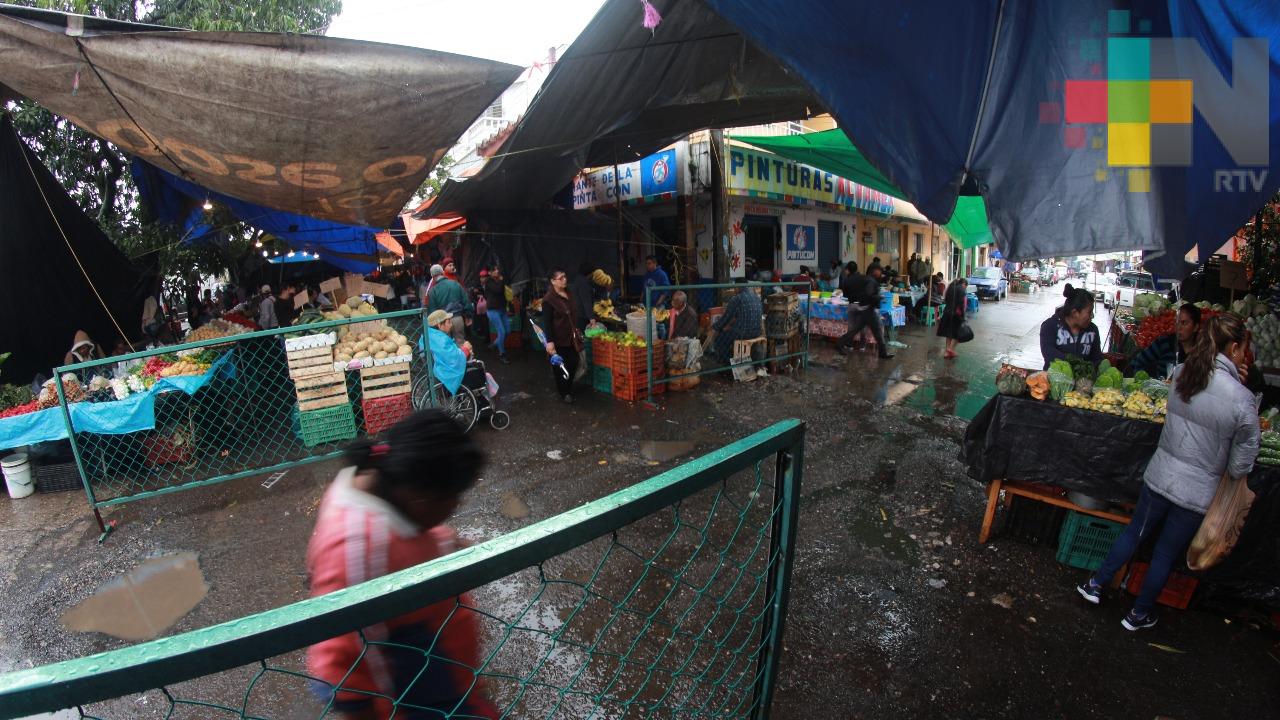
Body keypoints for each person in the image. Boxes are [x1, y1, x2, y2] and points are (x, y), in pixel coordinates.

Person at [306, 410, 498, 719]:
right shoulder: (357, 547)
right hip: (409, 682)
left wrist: (448, 543)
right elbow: (345, 665)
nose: (457, 506)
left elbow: (413, 532)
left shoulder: (381, 484)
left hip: (439, 656)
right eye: (454, 497)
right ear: (420, 496)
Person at [1076, 314, 1259, 631]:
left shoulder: (1185, 373)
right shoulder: (1241, 399)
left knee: (1135, 533)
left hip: (1160, 475)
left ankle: (1094, 584)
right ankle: (1138, 614)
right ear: (1232, 348)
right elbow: (1240, 465)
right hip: (1196, 492)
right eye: (1243, 349)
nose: (1245, 356)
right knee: (1164, 554)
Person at [541, 269, 583, 403]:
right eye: (561, 278)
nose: (564, 280)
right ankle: (564, 392)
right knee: (560, 366)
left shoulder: (569, 293)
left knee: (574, 361)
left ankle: (567, 386)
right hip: (557, 338)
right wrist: (550, 341)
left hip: (571, 336)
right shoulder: (548, 299)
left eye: (565, 277)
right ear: (553, 281)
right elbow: (547, 322)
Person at [1129, 304, 1201, 379]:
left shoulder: (1202, 350)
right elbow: (1138, 362)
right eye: (1177, 322)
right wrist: (1145, 383)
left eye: (1184, 323)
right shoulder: (1164, 342)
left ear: (1195, 327)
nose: (1179, 327)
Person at [1040, 284, 1103, 370]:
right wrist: (1077, 364)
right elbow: (1049, 354)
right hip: (1053, 380)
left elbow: (1097, 358)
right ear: (1075, 313)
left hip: (1083, 381)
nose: (1092, 316)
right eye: (1089, 312)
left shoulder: (1093, 330)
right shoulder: (1049, 326)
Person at [837, 263, 893, 359]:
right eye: (879, 271)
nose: (881, 273)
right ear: (874, 271)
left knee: (861, 330)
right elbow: (868, 294)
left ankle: (840, 343)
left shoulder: (868, 279)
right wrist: (879, 297)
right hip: (869, 309)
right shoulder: (870, 280)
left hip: (867, 308)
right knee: (876, 330)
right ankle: (883, 353)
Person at [710, 286, 763, 360]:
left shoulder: (737, 298)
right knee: (730, 331)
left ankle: (727, 363)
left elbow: (726, 317)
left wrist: (715, 327)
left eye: (735, 288)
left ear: (737, 288)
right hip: (757, 332)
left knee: (720, 339)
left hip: (742, 333)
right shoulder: (757, 298)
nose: (734, 290)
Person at [427, 265, 472, 344]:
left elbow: (432, 311)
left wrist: (434, 327)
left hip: (443, 322)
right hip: (457, 319)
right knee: (460, 343)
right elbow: (466, 300)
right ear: (442, 272)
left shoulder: (432, 291)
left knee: (446, 345)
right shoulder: (455, 284)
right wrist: (468, 315)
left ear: (432, 276)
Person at [482, 267, 510, 364]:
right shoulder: (488, 281)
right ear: (490, 272)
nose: (497, 271)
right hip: (493, 311)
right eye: (494, 270)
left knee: (507, 331)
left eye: (497, 269)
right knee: (501, 332)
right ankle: (502, 354)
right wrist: (502, 281)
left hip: (502, 309)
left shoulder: (499, 280)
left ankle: (495, 344)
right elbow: (497, 290)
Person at [936, 278, 968, 359]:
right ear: (963, 284)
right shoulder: (962, 290)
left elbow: (945, 299)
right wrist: (963, 315)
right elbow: (962, 304)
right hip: (957, 314)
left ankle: (947, 352)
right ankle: (951, 349)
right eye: (966, 286)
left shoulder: (950, 288)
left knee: (949, 333)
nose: (965, 287)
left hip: (947, 312)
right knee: (959, 333)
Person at [570, 262, 595, 333]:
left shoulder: (578, 278)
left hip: (577, 313)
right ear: (589, 272)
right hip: (581, 315)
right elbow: (586, 301)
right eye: (592, 272)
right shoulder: (583, 283)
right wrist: (591, 318)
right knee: (583, 336)